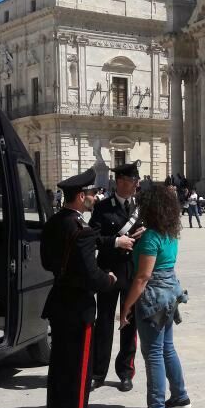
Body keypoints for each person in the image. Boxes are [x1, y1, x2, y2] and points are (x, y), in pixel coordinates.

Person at [40, 168, 116, 408]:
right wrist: (108, 279)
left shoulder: (54, 223)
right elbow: (91, 276)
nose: (95, 197)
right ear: (81, 196)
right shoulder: (80, 230)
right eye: (93, 193)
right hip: (78, 307)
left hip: (59, 302)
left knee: (59, 370)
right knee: (78, 372)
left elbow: (48, 262)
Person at [120, 184, 190, 408]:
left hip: (154, 298)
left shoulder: (151, 237)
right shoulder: (169, 233)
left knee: (153, 353)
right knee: (167, 347)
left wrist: (125, 307)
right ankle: (180, 396)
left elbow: (142, 278)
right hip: (171, 293)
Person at [89, 160, 145, 392]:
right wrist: (115, 241)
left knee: (129, 324)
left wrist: (144, 233)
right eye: (133, 181)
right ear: (121, 182)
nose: (136, 185)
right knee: (103, 323)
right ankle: (98, 372)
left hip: (132, 273)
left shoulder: (140, 206)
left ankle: (125, 371)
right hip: (109, 272)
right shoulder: (103, 207)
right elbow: (92, 238)